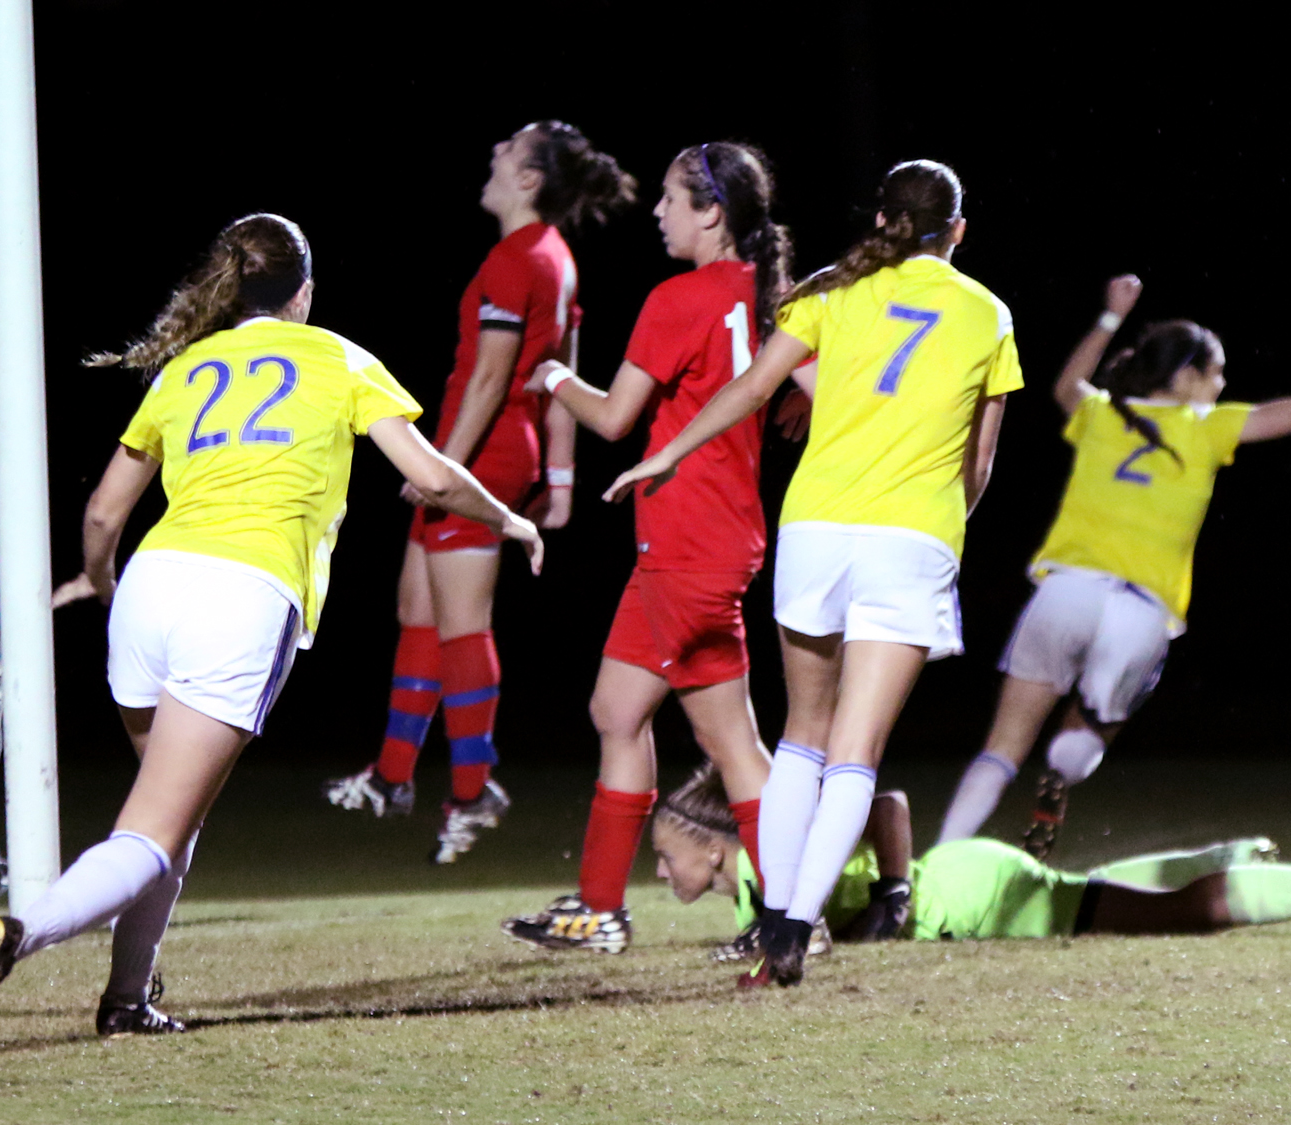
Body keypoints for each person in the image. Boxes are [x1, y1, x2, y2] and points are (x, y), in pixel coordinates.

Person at [0, 214, 542, 1033]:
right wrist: (512, 521)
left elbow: (105, 513)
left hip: (152, 585)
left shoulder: (182, 368)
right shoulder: (339, 357)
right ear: (304, 292)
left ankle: (127, 998)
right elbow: (432, 477)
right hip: (241, 594)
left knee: (170, 818)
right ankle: (22, 931)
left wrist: (104, 584)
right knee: (152, 829)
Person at [606, 159, 1021, 986]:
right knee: (856, 750)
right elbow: (979, 465)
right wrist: (939, 537)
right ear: (958, 232)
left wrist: (669, 453)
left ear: (882, 221)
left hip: (816, 529)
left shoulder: (833, 287)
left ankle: (773, 913)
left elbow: (752, 386)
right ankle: (795, 928)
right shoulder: (987, 314)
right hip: (908, 538)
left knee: (802, 735)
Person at [936, 280, 1291, 858]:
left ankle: (935, 869)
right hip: (1140, 611)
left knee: (1000, 749)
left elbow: (1063, 386)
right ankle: (1067, 762)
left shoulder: (1104, 415)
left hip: (1066, 594)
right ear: (1184, 377)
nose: (1222, 384)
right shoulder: (1205, 427)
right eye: (1216, 372)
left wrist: (1109, 316)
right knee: (1096, 726)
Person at [496, 142, 793, 953]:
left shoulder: (682, 296)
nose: (658, 213)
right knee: (617, 711)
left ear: (712, 212)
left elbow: (615, 416)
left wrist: (553, 375)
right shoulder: (771, 296)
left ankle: (791, 921)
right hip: (700, 539)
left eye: (670, 199)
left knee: (732, 743)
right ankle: (600, 909)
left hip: (691, 543)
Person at [323, 122, 635, 865]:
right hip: (497, 453)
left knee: (462, 621)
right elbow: (558, 376)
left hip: (481, 454)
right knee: (417, 608)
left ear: (529, 180)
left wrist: (441, 466)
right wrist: (558, 479)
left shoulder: (515, 258)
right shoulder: (554, 258)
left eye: (506, 151)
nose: (492, 155)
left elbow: (497, 377)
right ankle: (394, 775)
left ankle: (472, 787)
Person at [651, 765, 1291, 951]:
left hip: (980, 897)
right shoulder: (757, 883)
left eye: (663, 855)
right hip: (973, 878)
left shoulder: (767, 864)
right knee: (1087, 890)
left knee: (1173, 918)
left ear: (710, 844)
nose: (657, 872)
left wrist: (893, 896)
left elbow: (886, 802)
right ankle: (1223, 853)